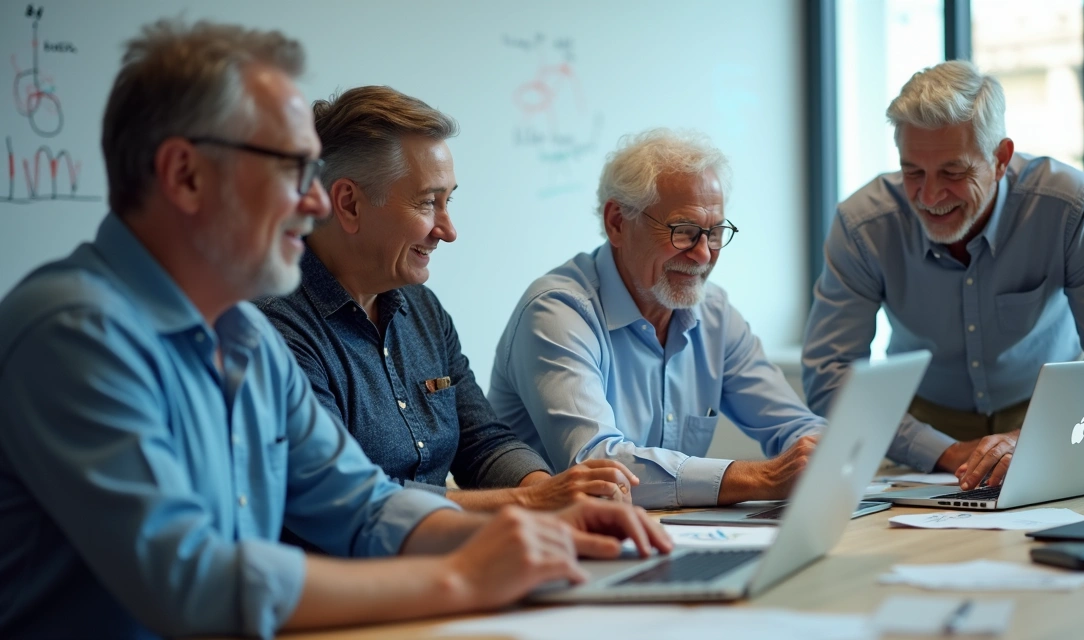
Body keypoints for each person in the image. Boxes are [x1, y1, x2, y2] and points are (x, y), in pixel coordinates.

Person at [0, 20, 669, 639]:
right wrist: (464, 573)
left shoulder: (246, 341)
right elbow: (191, 582)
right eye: (294, 168)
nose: (317, 200)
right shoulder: (75, 334)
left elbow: (365, 507)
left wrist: (539, 532)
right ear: (186, 175)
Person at [257, 85, 638, 511]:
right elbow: (345, 494)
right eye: (427, 203)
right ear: (349, 204)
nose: (448, 229)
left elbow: (484, 442)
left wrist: (559, 495)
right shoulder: (274, 325)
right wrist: (534, 499)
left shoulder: (423, 309)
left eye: (448, 201)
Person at [802, 60, 1084, 491]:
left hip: (1045, 425)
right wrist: (943, 451)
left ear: (1001, 158)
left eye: (953, 172)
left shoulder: (1069, 208)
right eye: (913, 171)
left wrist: (1035, 441)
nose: (929, 196)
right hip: (918, 439)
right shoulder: (863, 225)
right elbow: (829, 374)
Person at [488, 128, 825, 510]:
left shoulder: (713, 313)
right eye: (684, 232)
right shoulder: (557, 312)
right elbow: (599, 467)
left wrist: (819, 454)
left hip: (668, 535)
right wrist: (762, 479)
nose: (703, 255)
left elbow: (795, 426)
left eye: (715, 234)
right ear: (617, 222)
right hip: (553, 544)